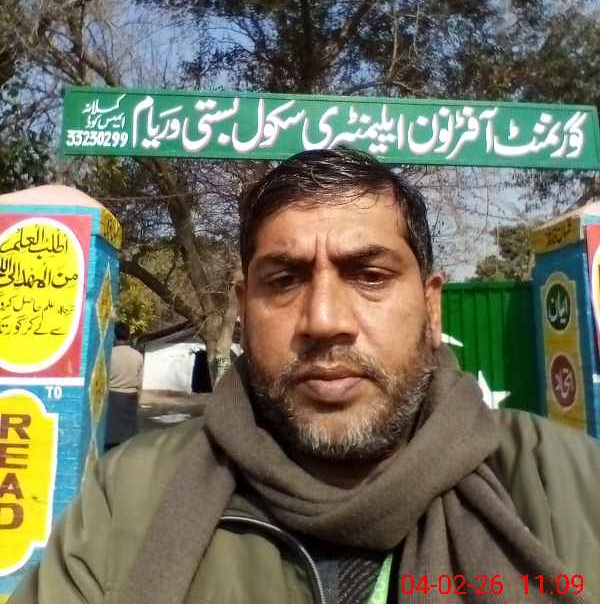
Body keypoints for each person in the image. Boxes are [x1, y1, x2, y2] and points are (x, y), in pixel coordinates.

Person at [10, 149, 600, 604]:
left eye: (369, 275)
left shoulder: (567, 484)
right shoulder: (128, 498)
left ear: (431, 306)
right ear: (243, 308)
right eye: (285, 280)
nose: (323, 321)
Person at [104, 320, 143, 450]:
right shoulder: (138, 356)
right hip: (130, 397)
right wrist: (138, 400)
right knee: (128, 437)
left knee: (110, 435)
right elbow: (140, 382)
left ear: (114, 336)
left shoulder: (108, 354)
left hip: (112, 397)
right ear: (129, 336)